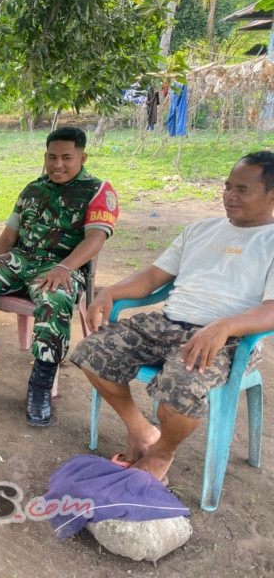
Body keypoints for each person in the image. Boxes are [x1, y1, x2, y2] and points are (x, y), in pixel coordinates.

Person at [70, 151, 274, 483]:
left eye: (242, 189)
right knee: (93, 351)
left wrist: (224, 326)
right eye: (227, 187)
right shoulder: (200, 230)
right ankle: (142, 432)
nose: (229, 196)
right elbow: (152, 278)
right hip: (167, 323)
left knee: (179, 390)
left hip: (228, 338)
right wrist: (110, 292)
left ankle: (162, 453)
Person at [0, 127, 118, 426]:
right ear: (45, 157)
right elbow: (9, 235)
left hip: (60, 267)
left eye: (67, 157)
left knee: (55, 299)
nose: (58, 165)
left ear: (82, 157)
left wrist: (65, 267)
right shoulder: (33, 189)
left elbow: (95, 239)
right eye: (52, 157)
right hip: (20, 261)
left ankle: (40, 387)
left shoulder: (98, 190)